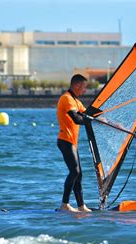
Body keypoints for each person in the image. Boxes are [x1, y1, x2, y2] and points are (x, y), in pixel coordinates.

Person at [56, 74, 92, 213]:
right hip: (65, 141)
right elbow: (77, 119)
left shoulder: (76, 101)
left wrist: (105, 118)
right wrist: (91, 121)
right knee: (75, 171)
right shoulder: (67, 99)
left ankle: (81, 206)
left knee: (78, 174)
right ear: (77, 85)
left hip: (71, 142)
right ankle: (64, 204)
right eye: (84, 88)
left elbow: (87, 114)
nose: (84, 91)